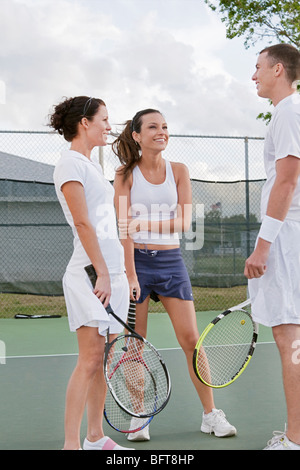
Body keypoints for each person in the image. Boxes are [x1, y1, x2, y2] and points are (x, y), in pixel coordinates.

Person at [112, 108, 236, 442]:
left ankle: (211, 414)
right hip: (135, 263)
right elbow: (124, 232)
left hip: (170, 264)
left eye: (165, 126)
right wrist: (130, 274)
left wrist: (143, 223)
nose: (161, 131)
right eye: (153, 127)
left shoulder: (179, 171)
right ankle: (139, 418)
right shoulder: (124, 174)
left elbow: (183, 223)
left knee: (192, 341)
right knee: (135, 345)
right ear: (137, 135)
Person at [50, 96, 132, 451]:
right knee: (89, 359)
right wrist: (101, 272)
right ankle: (71, 444)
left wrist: (119, 273)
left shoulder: (89, 164)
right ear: (85, 123)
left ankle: (95, 437)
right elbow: (82, 222)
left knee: (102, 358)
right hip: (89, 273)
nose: (109, 127)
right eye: (104, 120)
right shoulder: (70, 164)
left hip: (109, 273)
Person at [244, 44, 300, 450]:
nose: (254, 75)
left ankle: (295, 438)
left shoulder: (289, 111)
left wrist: (262, 246)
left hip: (286, 240)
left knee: (290, 339)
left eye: (259, 67)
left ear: (278, 70)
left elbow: (287, 180)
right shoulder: (288, 112)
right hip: (289, 236)